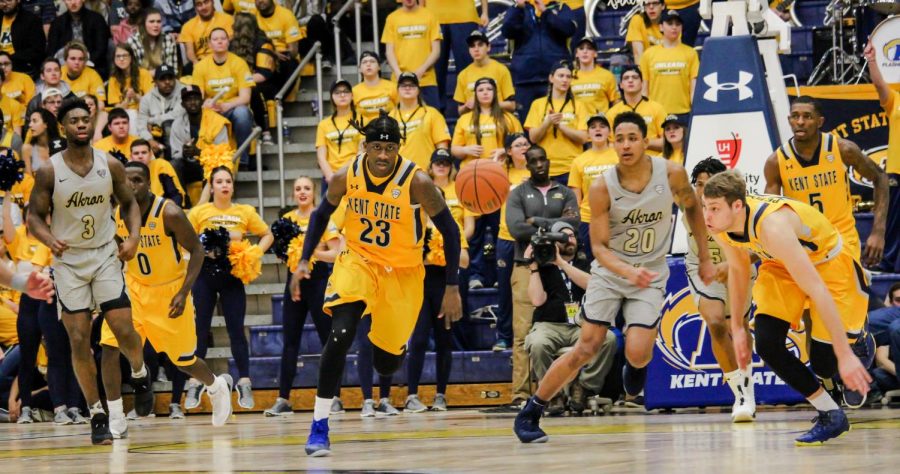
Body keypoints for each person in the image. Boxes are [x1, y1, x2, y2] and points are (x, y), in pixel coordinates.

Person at [514, 111, 715, 443]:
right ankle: (531, 412)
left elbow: (692, 208)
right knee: (586, 347)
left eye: (632, 138)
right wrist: (627, 271)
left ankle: (633, 371)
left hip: (649, 272)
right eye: (619, 139)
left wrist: (704, 256)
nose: (625, 145)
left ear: (645, 140)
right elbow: (599, 248)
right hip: (611, 273)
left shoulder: (672, 173)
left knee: (638, 353)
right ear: (612, 142)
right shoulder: (601, 186)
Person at [293, 112, 462, 457]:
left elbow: (451, 230)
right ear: (365, 147)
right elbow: (321, 215)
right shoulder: (346, 176)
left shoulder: (418, 182)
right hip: (358, 261)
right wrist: (303, 259)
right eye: (376, 148)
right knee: (339, 335)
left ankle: (389, 350)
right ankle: (319, 426)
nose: (383, 155)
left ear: (398, 147)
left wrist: (451, 286)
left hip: (403, 272)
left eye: (389, 148)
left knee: (386, 364)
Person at [701, 170, 872, 445]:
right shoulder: (722, 225)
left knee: (824, 363)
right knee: (767, 344)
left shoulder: (773, 227)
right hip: (780, 266)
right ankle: (831, 414)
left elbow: (816, 287)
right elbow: (738, 268)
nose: (706, 216)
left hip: (827, 264)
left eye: (713, 208)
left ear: (736, 206)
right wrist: (738, 329)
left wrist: (844, 354)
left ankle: (858, 339)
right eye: (704, 207)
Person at [26, 99, 153, 445]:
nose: (81, 124)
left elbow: (129, 203)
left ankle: (141, 375)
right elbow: (33, 217)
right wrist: (48, 238)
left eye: (86, 119)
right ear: (63, 127)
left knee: (123, 327)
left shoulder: (109, 164)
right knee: (79, 340)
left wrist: (134, 238)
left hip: (104, 255)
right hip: (68, 262)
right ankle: (97, 413)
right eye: (74, 120)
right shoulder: (50, 171)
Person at [99, 161, 234, 437]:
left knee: (183, 361)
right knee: (109, 348)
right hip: (133, 290)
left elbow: (197, 250)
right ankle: (115, 416)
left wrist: (184, 292)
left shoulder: (169, 212)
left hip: (169, 291)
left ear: (149, 184)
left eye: (137, 180)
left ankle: (215, 386)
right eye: (126, 180)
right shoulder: (115, 213)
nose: (132, 185)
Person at [764, 95, 888, 267]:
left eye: (807, 116)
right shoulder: (776, 162)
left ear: (820, 122)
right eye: (795, 116)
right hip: (804, 245)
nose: (800, 122)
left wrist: (878, 232)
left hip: (842, 240)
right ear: (789, 120)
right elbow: (771, 214)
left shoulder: (843, 149)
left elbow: (881, 178)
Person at [186, 166, 273, 411]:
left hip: (232, 274)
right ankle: (194, 382)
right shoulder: (199, 212)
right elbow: (183, 238)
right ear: (211, 186)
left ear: (232, 186)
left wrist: (255, 252)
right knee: (199, 329)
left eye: (228, 181)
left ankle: (244, 381)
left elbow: (267, 234)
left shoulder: (244, 211)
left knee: (236, 329)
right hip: (204, 274)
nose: (224, 185)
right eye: (219, 181)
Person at [505, 144, 580, 409]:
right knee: (523, 332)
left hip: (562, 263)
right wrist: (556, 227)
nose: (539, 164)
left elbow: (575, 223)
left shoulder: (565, 192)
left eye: (542, 160)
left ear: (548, 162)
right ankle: (521, 394)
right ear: (527, 165)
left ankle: (559, 391)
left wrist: (536, 221)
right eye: (533, 161)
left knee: (575, 325)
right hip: (527, 264)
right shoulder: (518, 194)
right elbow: (516, 228)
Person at [684, 157, 757, 421]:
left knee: (739, 328)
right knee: (715, 323)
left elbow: (760, 247)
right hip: (703, 267)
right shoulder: (689, 203)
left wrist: (735, 263)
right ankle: (740, 393)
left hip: (738, 265)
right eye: (698, 184)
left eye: (708, 184)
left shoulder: (739, 208)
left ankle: (748, 385)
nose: (702, 189)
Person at [263, 176, 341, 417]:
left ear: (315, 193)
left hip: (318, 282)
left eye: (307, 188)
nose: (302, 192)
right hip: (294, 283)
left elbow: (337, 252)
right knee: (290, 342)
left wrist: (311, 251)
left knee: (327, 340)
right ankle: (283, 399)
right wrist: (291, 253)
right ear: (293, 194)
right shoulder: (286, 220)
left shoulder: (323, 218)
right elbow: (280, 254)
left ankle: (334, 397)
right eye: (298, 189)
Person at [523, 221, 617, 416]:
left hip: (581, 324)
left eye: (572, 236)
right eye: (563, 237)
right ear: (554, 242)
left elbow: (592, 285)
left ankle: (583, 387)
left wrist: (562, 264)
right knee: (537, 343)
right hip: (549, 324)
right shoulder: (542, 263)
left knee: (608, 339)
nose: (569, 240)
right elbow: (537, 300)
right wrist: (533, 267)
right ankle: (552, 392)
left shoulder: (586, 261)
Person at [404, 149, 472, 413]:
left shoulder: (452, 230)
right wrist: (427, 256)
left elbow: (465, 260)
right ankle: (411, 394)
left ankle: (441, 395)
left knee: (445, 340)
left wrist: (440, 255)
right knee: (418, 339)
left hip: (446, 286)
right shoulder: (415, 229)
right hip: (420, 287)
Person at [501, 0, 577, 118]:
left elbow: (568, 29)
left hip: (554, 80)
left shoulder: (561, 7)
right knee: (526, 125)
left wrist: (546, 12)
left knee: (555, 124)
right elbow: (507, 31)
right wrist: (518, 8)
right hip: (525, 80)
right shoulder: (519, 9)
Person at [192, 27, 254, 169]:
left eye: (223, 38)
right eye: (215, 39)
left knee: (243, 113)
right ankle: (205, 160)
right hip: (211, 110)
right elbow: (197, 97)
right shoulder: (201, 66)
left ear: (228, 42)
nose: (219, 42)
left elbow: (246, 97)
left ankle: (243, 160)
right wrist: (205, 103)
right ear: (209, 44)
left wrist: (227, 105)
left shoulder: (239, 63)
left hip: (233, 107)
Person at [494, 133, 532, 352]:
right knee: (505, 291)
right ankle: (504, 336)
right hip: (505, 237)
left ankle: (529, 333)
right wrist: (497, 157)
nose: (523, 147)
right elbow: (483, 182)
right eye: (518, 145)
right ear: (509, 150)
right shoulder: (501, 172)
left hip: (527, 238)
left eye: (526, 144)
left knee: (529, 289)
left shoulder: (535, 171)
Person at [865, 40, 900, 273]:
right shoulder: (896, 99)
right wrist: (872, 60)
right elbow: (879, 85)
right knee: (892, 222)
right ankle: (887, 266)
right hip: (897, 170)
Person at [524, 61, 588, 184]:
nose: (565, 80)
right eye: (561, 76)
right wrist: (547, 122)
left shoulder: (579, 105)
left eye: (568, 77)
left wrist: (560, 126)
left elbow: (584, 138)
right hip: (544, 168)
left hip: (572, 167)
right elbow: (533, 138)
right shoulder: (538, 104)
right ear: (551, 78)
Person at [169, 84, 232, 205]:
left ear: (202, 101)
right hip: (190, 167)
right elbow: (175, 154)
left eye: (196, 99)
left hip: (210, 166)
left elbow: (223, 155)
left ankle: (208, 205)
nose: (193, 103)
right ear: (182, 104)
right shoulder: (177, 124)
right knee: (174, 165)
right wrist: (183, 153)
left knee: (214, 168)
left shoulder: (217, 121)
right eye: (188, 100)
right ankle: (183, 202)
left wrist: (199, 152)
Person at [568, 113, 618, 259]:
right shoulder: (579, 161)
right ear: (588, 133)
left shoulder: (619, 156)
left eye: (602, 126)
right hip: (587, 219)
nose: (598, 129)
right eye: (593, 127)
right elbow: (576, 196)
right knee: (587, 265)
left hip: (615, 218)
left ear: (609, 132)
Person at [426, 0, 488, 115]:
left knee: (468, 68)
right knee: (435, 70)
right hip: (433, 15)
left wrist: (485, 12)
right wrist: (421, 12)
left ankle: (471, 111)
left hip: (465, 15)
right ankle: (436, 115)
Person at [383, 0, 443, 109]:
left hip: (426, 80)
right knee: (401, 122)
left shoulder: (430, 15)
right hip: (400, 81)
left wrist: (422, 69)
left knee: (432, 119)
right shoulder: (392, 18)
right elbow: (389, 51)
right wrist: (398, 73)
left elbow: (436, 50)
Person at [451, 77, 523, 168]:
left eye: (489, 89)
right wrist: (465, 150)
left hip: (501, 168)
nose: (485, 92)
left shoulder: (509, 118)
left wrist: (504, 150)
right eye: (480, 90)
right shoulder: (464, 119)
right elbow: (454, 149)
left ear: (495, 93)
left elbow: (522, 144)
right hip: (472, 171)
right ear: (475, 95)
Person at [640, 10, 698, 121]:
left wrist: (694, 110)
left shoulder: (691, 53)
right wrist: (645, 111)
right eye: (670, 24)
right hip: (656, 113)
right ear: (661, 27)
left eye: (677, 24)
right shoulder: (648, 54)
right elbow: (645, 87)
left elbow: (693, 86)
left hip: (684, 112)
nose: (674, 27)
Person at [229, 12, 277, 144]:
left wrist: (242, 80)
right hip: (239, 83)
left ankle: (265, 131)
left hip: (265, 84)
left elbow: (263, 74)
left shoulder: (263, 43)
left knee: (254, 90)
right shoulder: (231, 44)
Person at [389, 72, 451, 172]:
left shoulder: (432, 113)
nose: (407, 88)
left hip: (425, 174)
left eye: (412, 85)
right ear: (397, 90)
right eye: (403, 85)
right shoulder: (390, 117)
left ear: (418, 90)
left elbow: (442, 147)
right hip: (397, 175)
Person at [453, 30, 516, 115]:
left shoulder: (501, 70)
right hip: (473, 123)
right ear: (469, 50)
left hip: (497, 120)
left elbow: (512, 105)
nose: (476, 49)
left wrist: (488, 103)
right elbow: (460, 110)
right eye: (472, 46)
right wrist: (466, 106)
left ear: (488, 47)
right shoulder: (463, 75)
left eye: (480, 45)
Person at [606, 66, 666, 152]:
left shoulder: (657, 108)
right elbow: (610, 144)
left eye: (635, 77)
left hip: (652, 161)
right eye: (626, 78)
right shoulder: (612, 113)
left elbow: (667, 142)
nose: (630, 80)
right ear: (621, 85)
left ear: (642, 83)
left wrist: (643, 143)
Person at [317, 79, 362, 192]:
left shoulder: (361, 120)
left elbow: (362, 152)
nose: (342, 95)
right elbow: (321, 156)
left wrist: (346, 174)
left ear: (352, 96)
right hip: (330, 178)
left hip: (354, 175)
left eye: (346, 91)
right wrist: (331, 177)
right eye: (337, 92)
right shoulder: (324, 124)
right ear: (332, 97)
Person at [47, 0, 111, 78]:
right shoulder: (57, 23)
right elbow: (52, 51)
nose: (73, 3)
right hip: (64, 68)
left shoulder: (97, 19)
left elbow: (101, 49)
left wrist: (83, 64)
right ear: (64, 1)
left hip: (93, 65)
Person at [136, 64, 183, 157]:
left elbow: (177, 115)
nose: (167, 82)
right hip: (155, 137)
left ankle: (172, 160)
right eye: (162, 79)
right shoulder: (147, 99)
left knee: (168, 125)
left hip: (179, 135)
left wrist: (151, 120)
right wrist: (150, 140)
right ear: (155, 82)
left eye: (170, 78)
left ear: (175, 79)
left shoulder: (183, 92)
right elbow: (141, 125)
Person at [571, 37, 619, 115]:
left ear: (595, 54)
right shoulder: (570, 76)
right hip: (576, 124)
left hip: (599, 124)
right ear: (576, 54)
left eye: (589, 48)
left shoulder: (607, 75)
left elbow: (616, 102)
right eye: (581, 48)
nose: (585, 51)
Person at [129, 138, 184, 206]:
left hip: (162, 209)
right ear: (131, 156)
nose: (140, 156)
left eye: (144, 152)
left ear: (150, 154)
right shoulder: (126, 171)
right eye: (136, 153)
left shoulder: (161, 165)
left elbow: (176, 195)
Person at [0, 0, 47, 77]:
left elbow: (37, 50)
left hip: (21, 67)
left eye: (8, 0)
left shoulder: (31, 20)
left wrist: (10, 58)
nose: (4, 4)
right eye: (1, 1)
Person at [127, 8, 179, 74]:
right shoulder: (133, 41)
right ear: (143, 24)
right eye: (152, 21)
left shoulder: (168, 39)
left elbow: (173, 70)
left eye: (158, 21)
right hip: (141, 81)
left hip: (164, 80)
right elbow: (132, 73)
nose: (156, 25)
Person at [352, 51, 398, 127]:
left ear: (379, 67)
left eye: (372, 61)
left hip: (389, 129)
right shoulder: (354, 91)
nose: (368, 64)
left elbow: (401, 109)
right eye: (364, 62)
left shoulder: (393, 87)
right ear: (359, 68)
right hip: (364, 132)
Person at [107, 45, 153, 116]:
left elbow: (151, 103)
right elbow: (117, 110)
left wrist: (135, 96)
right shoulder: (113, 79)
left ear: (131, 58)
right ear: (114, 59)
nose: (121, 59)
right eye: (118, 56)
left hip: (143, 113)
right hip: (124, 115)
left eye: (125, 55)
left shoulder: (144, 73)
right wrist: (127, 100)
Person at [60, 42, 107, 109]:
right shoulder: (58, 72)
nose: (77, 62)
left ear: (85, 61)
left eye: (80, 59)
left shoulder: (93, 75)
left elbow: (100, 104)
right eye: (73, 58)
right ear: (65, 60)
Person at [22, 108, 61, 175]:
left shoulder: (61, 144)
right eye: (30, 121)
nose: (30, 125)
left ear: (46, 124)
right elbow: (28, 180)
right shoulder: (27, 149)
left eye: (34, 121)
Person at [626, 0, 664, 64]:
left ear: (663, 6)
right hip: (646, 64)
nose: (651, 7)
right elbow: (638, 54)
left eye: (655, 3)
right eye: (647, 4)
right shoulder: (637, 20)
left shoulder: (670, 22)